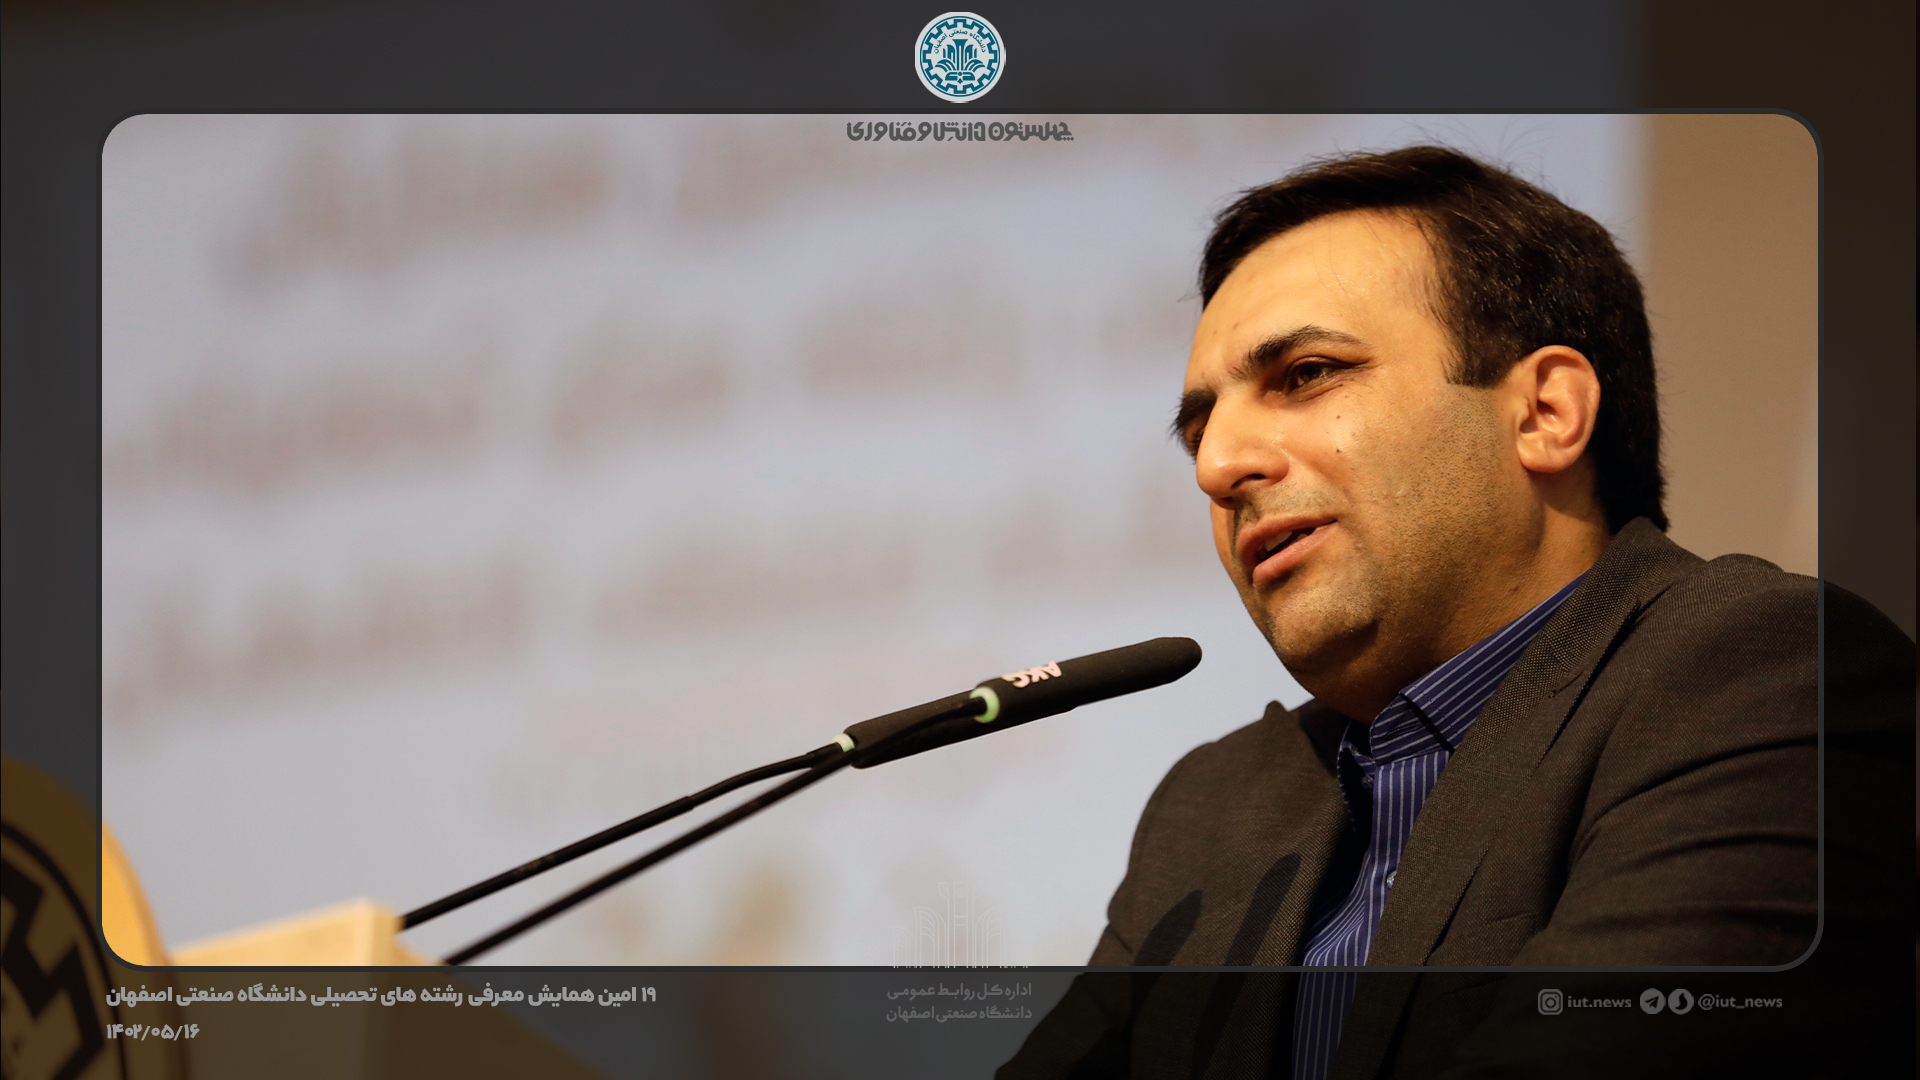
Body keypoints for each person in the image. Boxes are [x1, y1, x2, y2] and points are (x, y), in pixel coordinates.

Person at [1000, 147, 1914, 1078]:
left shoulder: (1763, 678)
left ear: (1545, 412)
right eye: (1199, 432)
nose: (1217, 465)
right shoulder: (1214, 808)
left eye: (1307, 374)